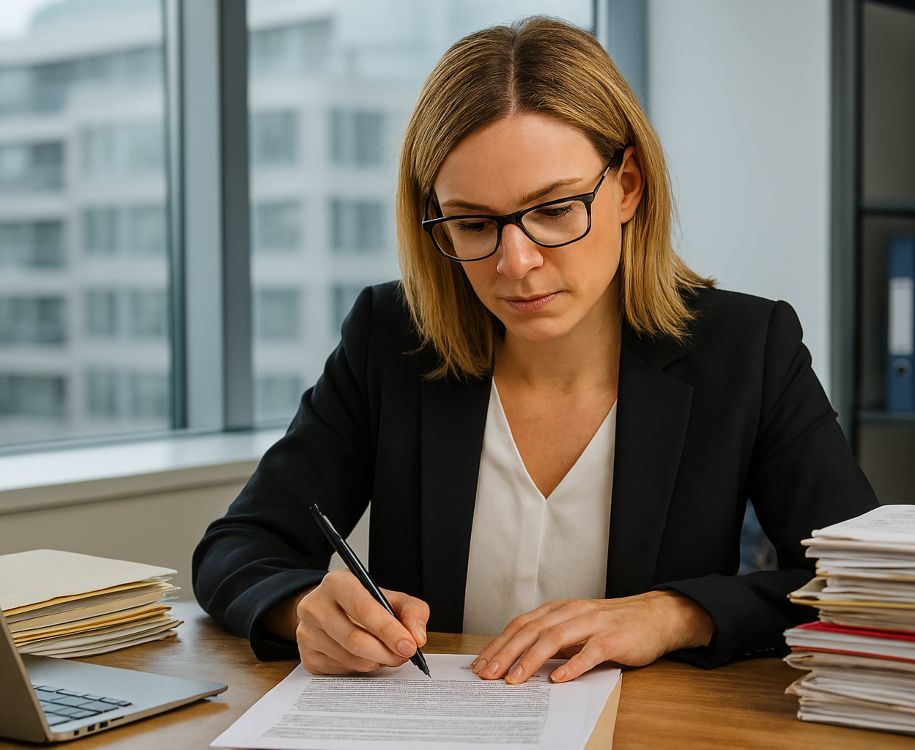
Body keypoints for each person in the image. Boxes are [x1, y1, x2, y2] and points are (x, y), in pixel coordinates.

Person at [192, 16, 878, 685]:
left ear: (628, 188)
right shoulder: (391, 337)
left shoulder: (747, 349)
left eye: (553, 211)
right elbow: (237, 548)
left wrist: (678, 614)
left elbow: (863, 585)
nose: (515, 263)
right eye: (472, 223)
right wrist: (301, 607)